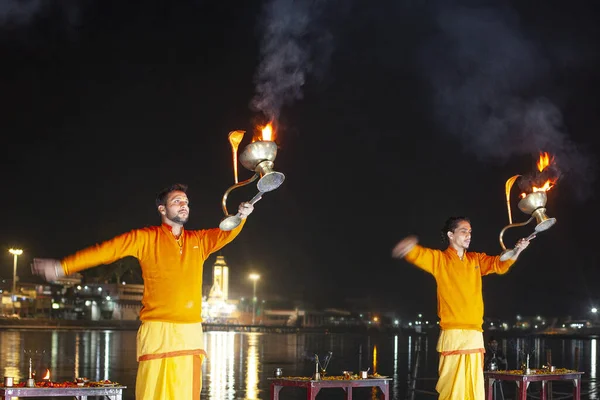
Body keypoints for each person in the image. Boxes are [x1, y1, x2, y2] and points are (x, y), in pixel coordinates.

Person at [31, 183, 254, 399]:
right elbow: (107, 250)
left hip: (190, 334)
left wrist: (241, 216)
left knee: (187, 393)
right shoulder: (145, 238)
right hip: (157, 332)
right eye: (177, 201)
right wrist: (63, 267)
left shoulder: (199, 240)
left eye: (186, 202)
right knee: (152, 393)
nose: (184, 205)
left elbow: (226, 233)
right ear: (162, 209)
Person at [391, 216, 531, 400]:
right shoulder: (440, 259)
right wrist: (408, 247)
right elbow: (419, 254)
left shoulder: (476, 259)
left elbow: (499, 264)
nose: (468, 235)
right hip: (453, 334)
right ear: (451, 234)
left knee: (475, 390)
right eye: (464, 231)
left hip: (474, 335)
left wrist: (518, 249)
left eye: (470, 232)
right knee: (453, 391)